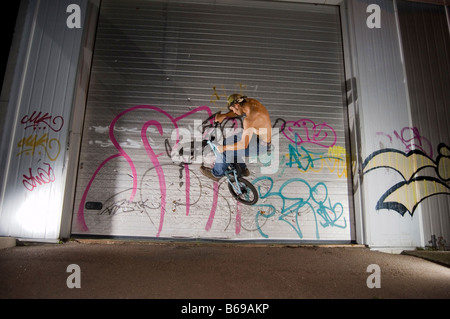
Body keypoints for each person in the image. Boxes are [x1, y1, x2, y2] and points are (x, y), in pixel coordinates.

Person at [200, 94, 272, 181]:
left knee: (226, 151)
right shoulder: (250, 102)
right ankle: (242, 169)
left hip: (261, 146)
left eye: (233, 109)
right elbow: (238, 112)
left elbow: (243, 145)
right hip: (255, 136)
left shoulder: (249, 120)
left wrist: (224, 148)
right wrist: (224, 115)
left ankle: (216, 174)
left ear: (237, 105)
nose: (233, 112)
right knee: (228, 142)